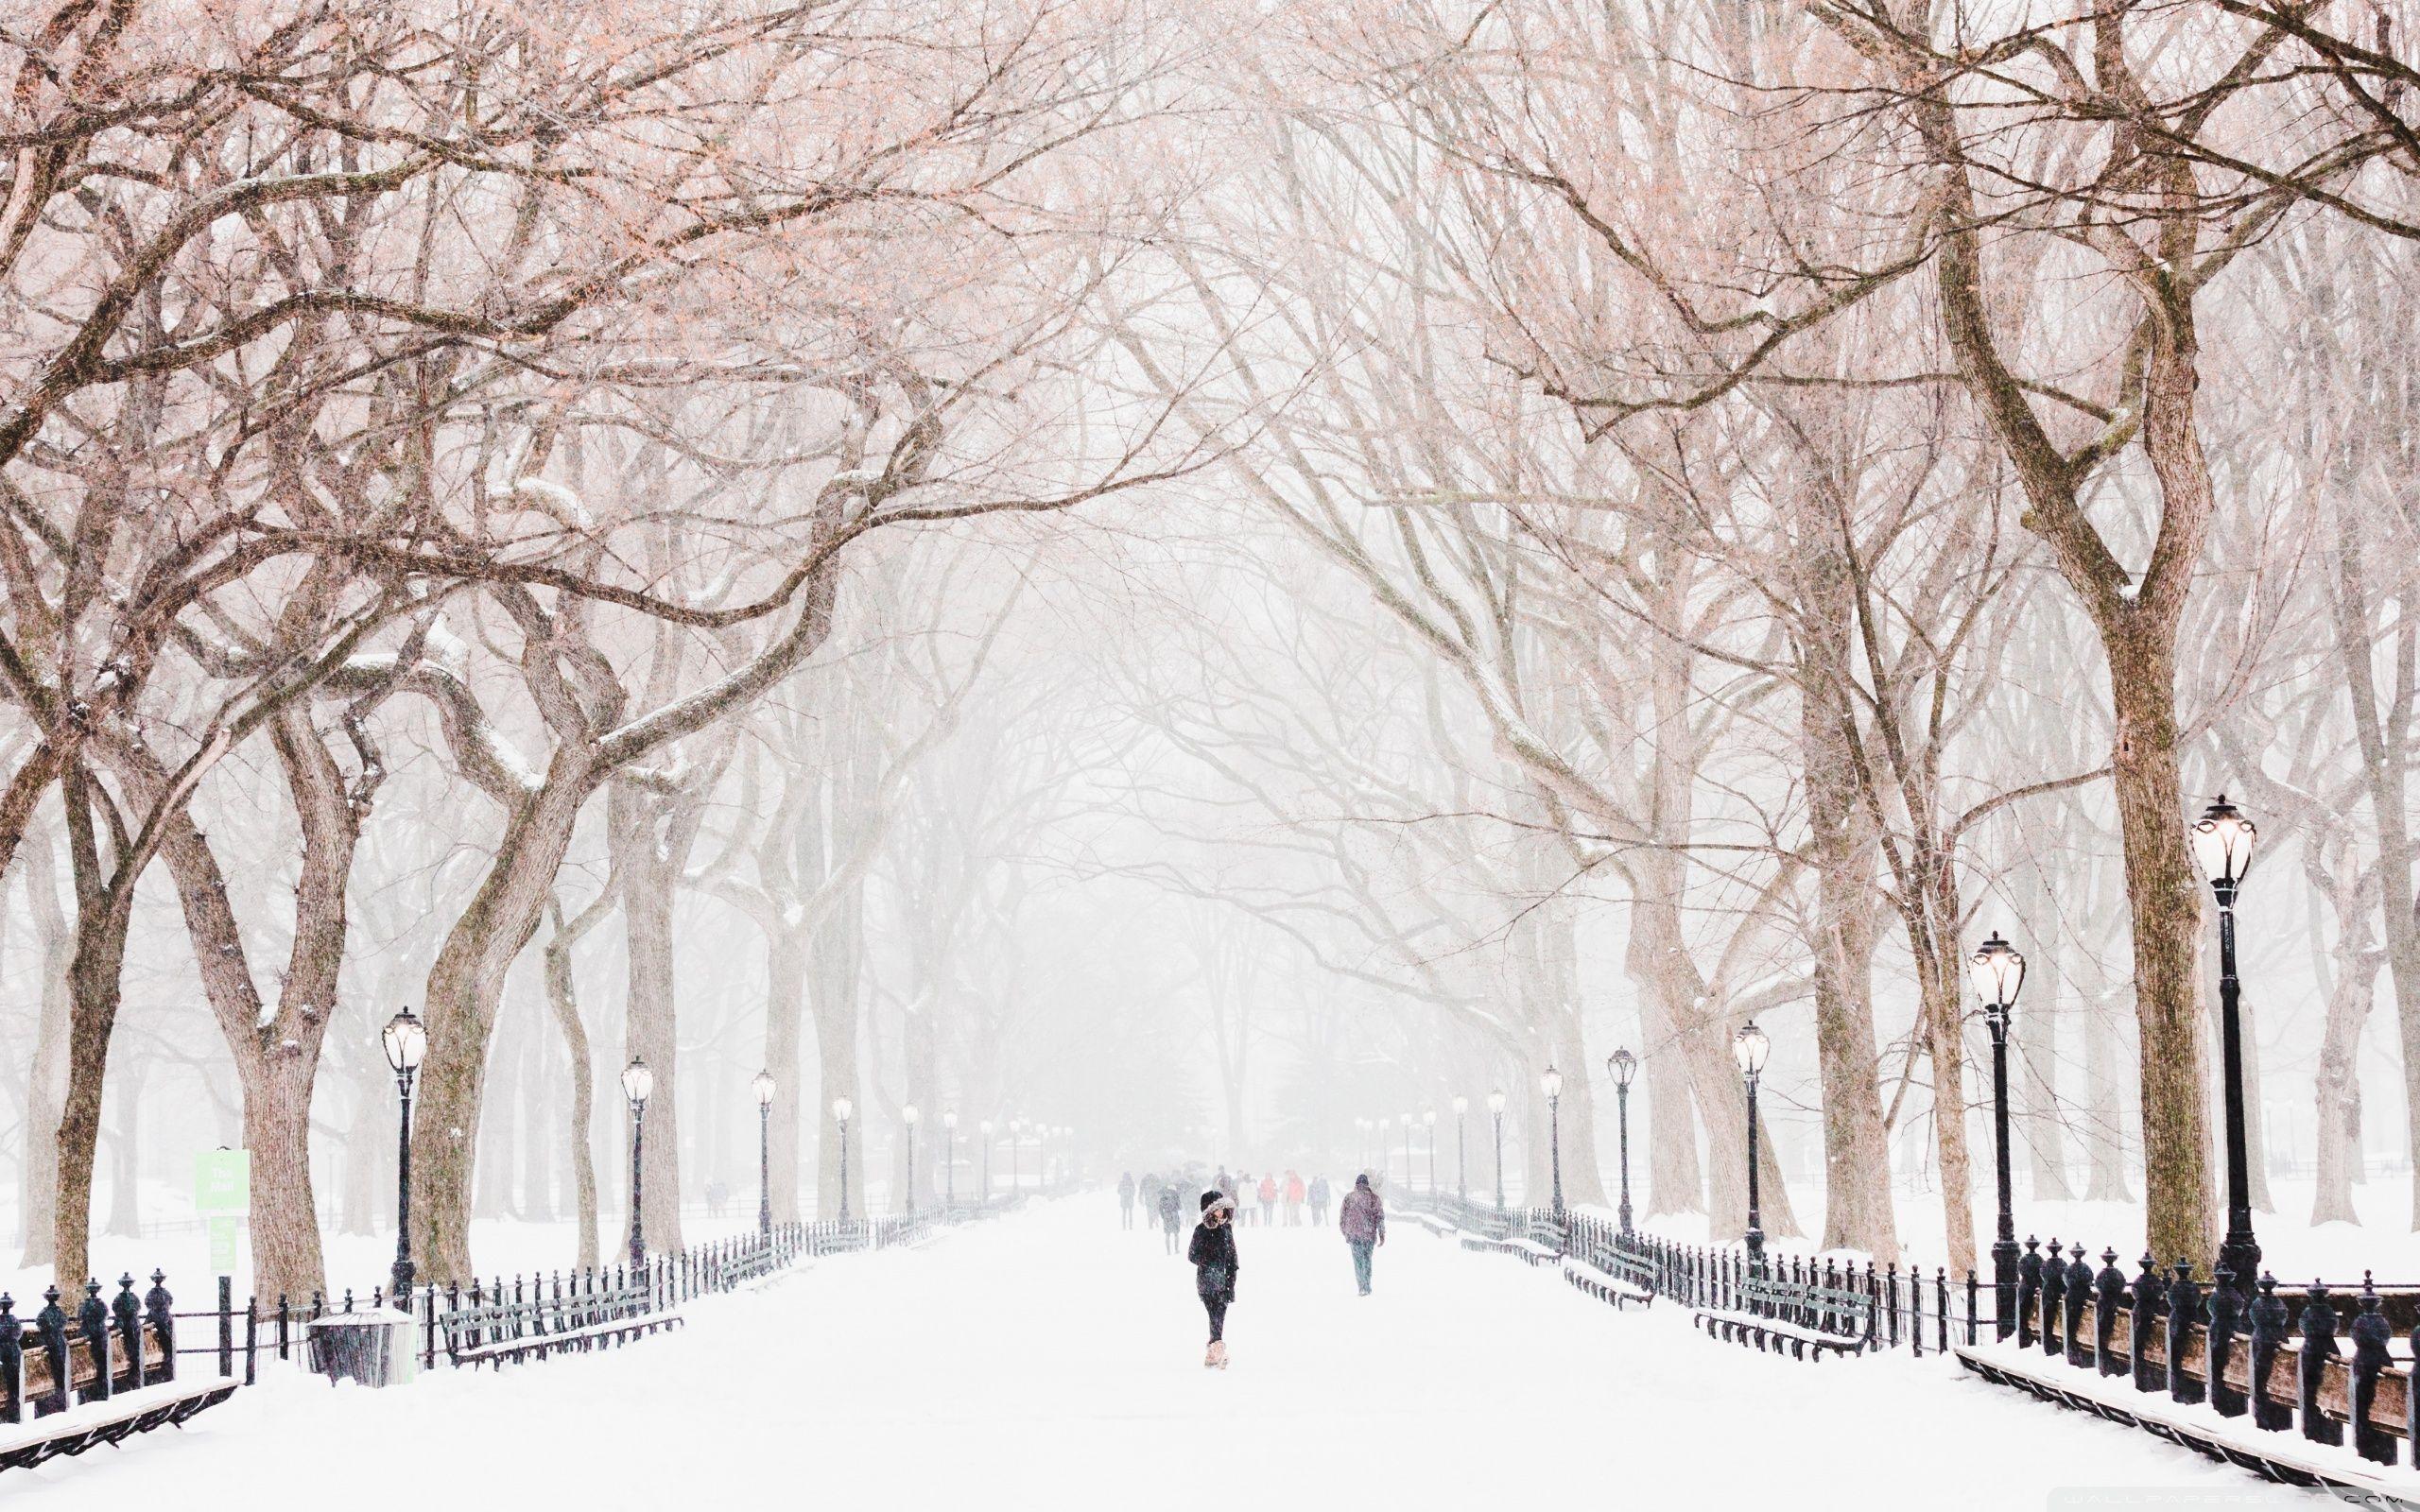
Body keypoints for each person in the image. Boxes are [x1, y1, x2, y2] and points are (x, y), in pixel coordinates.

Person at [1189, 1190, 1240, 1368]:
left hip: (1225, 1280)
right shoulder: (1201, 1230)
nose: (1220, 1212)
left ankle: (1213, 1353)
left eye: (1222, 1208)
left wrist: (1232, 1274)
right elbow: (1192, 1255)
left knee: (1218, 1316)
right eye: (1217, 1209)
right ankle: (1217, 1350)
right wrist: (1210, 1259)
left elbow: (1233, 1254)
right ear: (1208, 1210)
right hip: (1208, 1281)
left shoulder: (1227, 1228)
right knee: (1216, 1314)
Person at [1339, 1173, 1386, 1296]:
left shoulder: (1349, 1198)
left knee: (1358, 1261)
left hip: (1354, 1236)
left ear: (1356, 1184)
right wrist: (1381, 1234)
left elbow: (1342, 1218)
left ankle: (1361, 1287)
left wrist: (1346, 1232)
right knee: (1367, 1260)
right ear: (1367, 1184)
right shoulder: (1374, 1198)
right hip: (1368, 1235)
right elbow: (1379, 1217)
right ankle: (1367, 1285)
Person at [1158, 1182, 1185, 1255]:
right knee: (1176, 1234)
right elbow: (1180, 1207)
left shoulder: (1163, 1196)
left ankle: (1168, 1251)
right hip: (1174, 1215)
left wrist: (1163, 1216)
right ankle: (1176, 1249)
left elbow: (1160, 1208)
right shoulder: (1175, 1195)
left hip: (1166, 1215)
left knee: (1167, 1234)